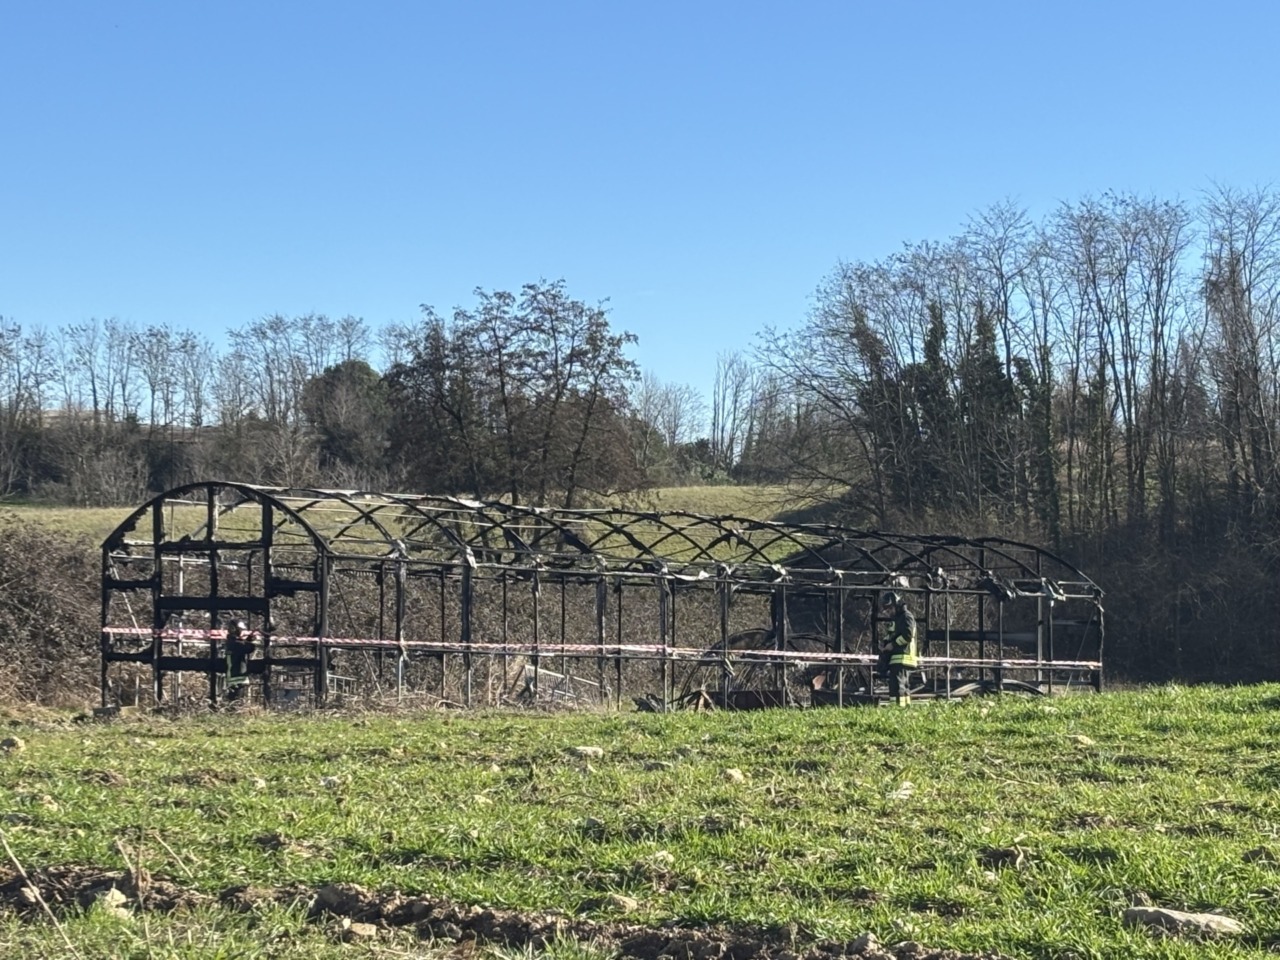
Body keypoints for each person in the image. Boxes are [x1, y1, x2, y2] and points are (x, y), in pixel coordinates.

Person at [877, 591, 918, 707]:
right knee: (895, 686)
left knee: (900, 685)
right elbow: (891, 635)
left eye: (890, 609)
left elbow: (907, 636)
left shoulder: (906, 616)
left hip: (904, 656)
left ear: (896, 605)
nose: (888, 612)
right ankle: (898, 708)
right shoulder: (896, 619)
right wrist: (885, 644)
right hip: (896, 658)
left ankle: (901, 709)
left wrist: (892, 644)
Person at [224, 619, 257, 703]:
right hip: (237, 676)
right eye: (240, 630)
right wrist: (251, 641)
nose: (241, 632)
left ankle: (230, 710)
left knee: (234, 699)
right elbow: (249, 648)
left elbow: (243, 645)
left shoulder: (231, 642)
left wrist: (248, 639)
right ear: (234, 629)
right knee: (237, 700)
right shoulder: (235, 643)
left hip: (234, 675)